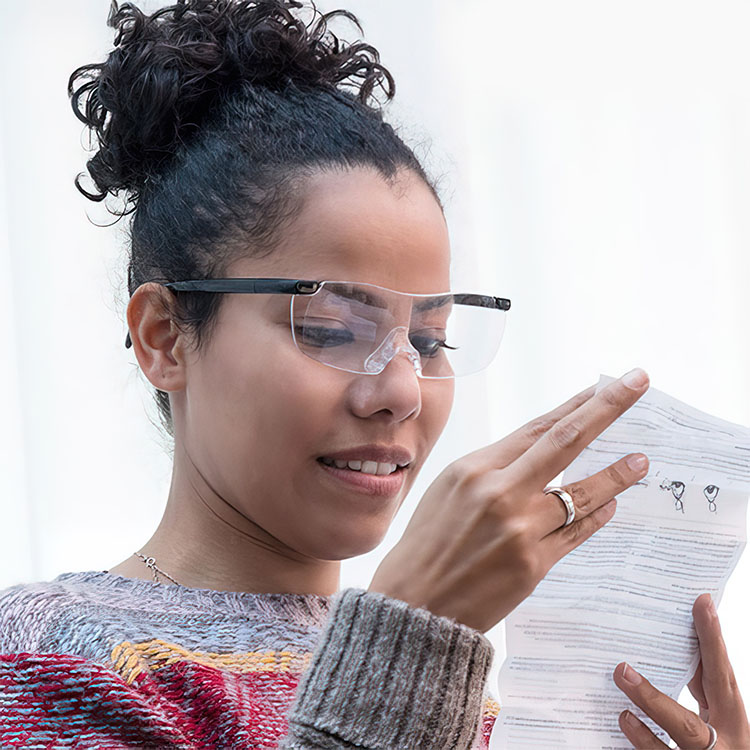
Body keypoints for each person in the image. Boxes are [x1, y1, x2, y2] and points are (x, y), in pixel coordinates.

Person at [0, 1, 747, 748]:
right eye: (330, 329)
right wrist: (409, 639)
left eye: (429, 340)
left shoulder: (483, 712)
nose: (400, 391)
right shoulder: (50, 657)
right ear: (164, 337)